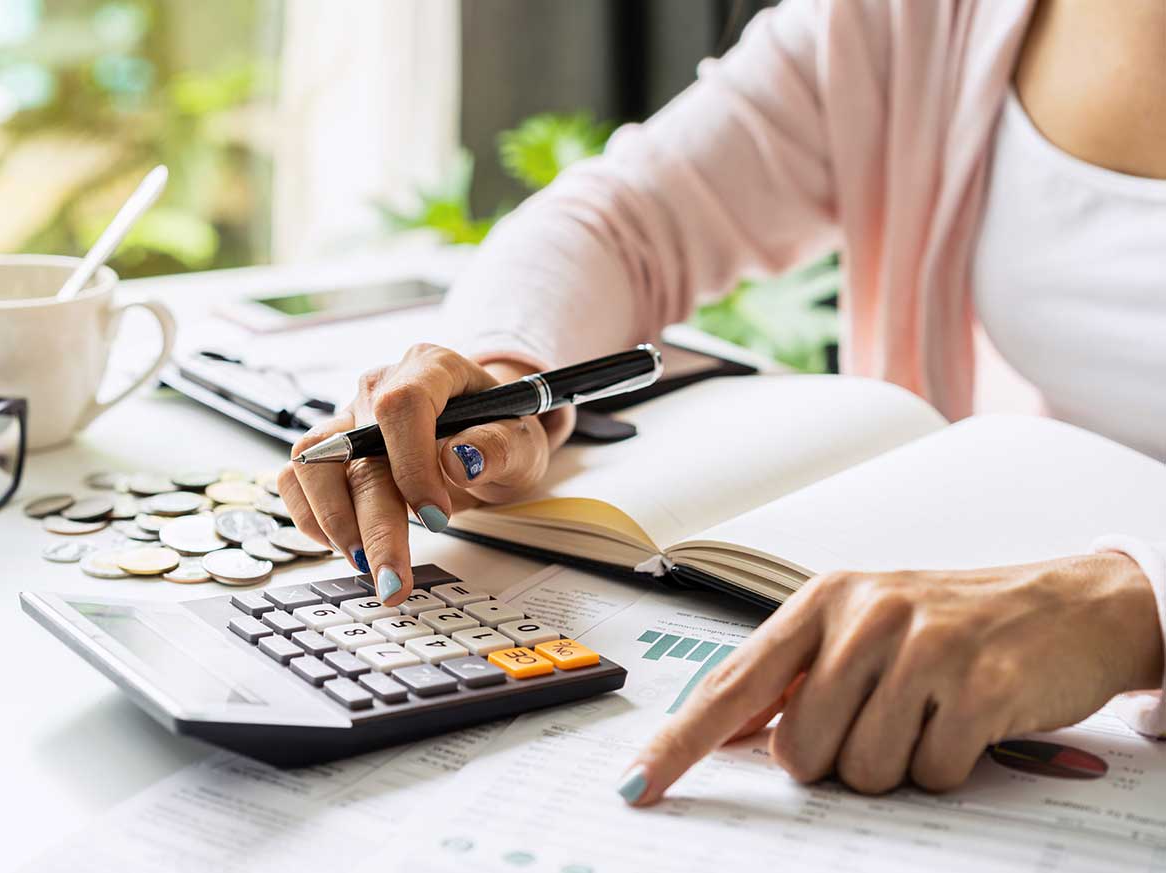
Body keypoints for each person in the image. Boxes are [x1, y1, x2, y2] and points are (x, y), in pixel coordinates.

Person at [277, 0, 1166, 802]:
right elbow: (618, 221)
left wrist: (1135, 608)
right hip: (987, 685)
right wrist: (497, 375)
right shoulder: (919, 18)